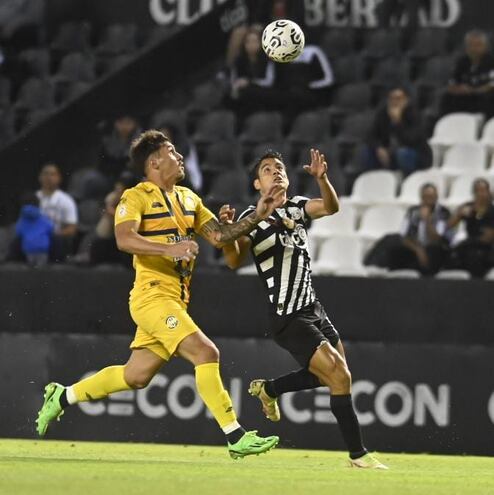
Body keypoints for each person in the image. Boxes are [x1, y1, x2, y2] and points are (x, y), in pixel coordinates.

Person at [36, 130, 285, 459]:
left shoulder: (189, 198)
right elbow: (124, 239)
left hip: (174, 299)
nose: (180, 156)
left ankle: (63, 396)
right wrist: (169, 247)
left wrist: (258, 214)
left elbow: (222, 237)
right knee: (205, 352)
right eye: (171, 151)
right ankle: (235, 435)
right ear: (154, 162)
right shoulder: (135, 197)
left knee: (135, 376)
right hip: (152, 297)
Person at [219, 149, 387, 469]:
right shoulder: (250, 219)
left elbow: (331, 206)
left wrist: (322, 179)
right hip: (288, 315)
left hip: (313, 307)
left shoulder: (297, 207)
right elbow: (232, 259)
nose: (276, 172)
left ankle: (270, 389)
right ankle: (358, 456)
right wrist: (230, 235)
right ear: (257, 183)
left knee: (336, 378)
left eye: (279, 167)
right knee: (338, 375)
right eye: (267, 169)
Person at [364, 183, 451, 275]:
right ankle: (372, 268)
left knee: (433, 250)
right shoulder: (413, 211)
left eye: (431, 196)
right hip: (416, 247)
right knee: (390, 239)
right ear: (421, 197)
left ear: (436, 197)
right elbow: (403, 236)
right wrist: (418, 250)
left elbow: (437, 239)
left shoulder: (443, 213)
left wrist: (427, 220)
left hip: (434, 249)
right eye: (425, 197)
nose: (428, 200)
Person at [363, 86, 432, 176]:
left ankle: (407, 180)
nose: (394, 102)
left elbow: (411, 140)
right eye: (392, 98)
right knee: (367, 151)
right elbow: (370, 136)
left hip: (415, 155)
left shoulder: (414, 114)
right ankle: (373, 180)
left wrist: (397, 122)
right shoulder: (383, 114)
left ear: (406, 100)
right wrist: (379, 148)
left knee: (403, 153)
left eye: (398, 98)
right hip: (390, 155)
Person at [441, 30, 494, 118]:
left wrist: (475, 90)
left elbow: (492, 85)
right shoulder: (461, 62)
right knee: (447, 97)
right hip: (464, 97)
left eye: (478, 45)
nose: (474, 48)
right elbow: (452, 83)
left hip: (483, 97)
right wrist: (459, 89)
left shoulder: (491, 61)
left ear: (485, 47)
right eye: (470, 45)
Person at [447, 178, 494, 278]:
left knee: (474, 256)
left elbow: (488, 238)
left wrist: (466, 243)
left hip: (487, 248)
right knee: (451, 255)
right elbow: (449, 226)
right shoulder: (468, 207)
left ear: (488, 192)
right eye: (477, 191)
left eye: (483, 190)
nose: (480, 194)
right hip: (469, 246)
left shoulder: (491, 210)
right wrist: (459, 214)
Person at [36, 163, 78, 262]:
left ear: (59, 178)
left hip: (56, 237)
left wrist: (55, 234)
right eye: (45, 174)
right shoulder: (34, 198)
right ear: (40, 177)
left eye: (52, 174)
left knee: (56, 240)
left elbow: (72, 228)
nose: (48, 177)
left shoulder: (66, 200)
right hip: (35, 236)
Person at [230, 28, 275, 118]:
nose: (251, 45)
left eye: (254, 41)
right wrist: (236, 87)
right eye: (248, 42)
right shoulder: (239, 61)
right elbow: (234, 81)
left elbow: (269, 82)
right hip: (244, 96)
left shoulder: (267, 60)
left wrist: (250, 82)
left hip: (263, 93)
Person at [12, 192, 53, 266]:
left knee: (31, 267)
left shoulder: (22, 220)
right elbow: (50, 228)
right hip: (43, 248)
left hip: (28, 248)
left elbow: (18, 232)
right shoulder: (43, 218)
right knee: (41, 267)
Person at [99, 115, 141, 180]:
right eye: (121, 122)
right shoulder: (108, 139)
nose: (124, 127)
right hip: (109, 176)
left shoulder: (141, 140)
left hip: (132, 178)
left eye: (128, 123)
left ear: (135, 123)